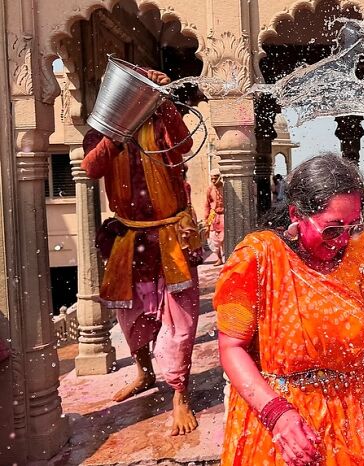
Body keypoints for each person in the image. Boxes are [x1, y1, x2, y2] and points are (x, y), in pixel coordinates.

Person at [214, 154, 364, 466]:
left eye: (352, 225)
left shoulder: (360, 249)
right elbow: (231, 348)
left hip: (351, 419)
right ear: (296, 214)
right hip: (282, 422)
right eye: (331, 229)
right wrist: (277, 414)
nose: (342, 239)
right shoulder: (257, 257)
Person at [82, 68, 202, 436]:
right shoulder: (101, 132)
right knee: (132, 315)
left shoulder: (161, 122)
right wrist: (118, 129)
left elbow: (182, 148)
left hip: (170, 235)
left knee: (179, 321)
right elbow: (92, 168)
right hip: (130, 238)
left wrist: (163, 104)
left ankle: (179, 393)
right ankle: (145, 372)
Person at [205, 168, 225, 266]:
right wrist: (206, 219)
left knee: (224, 238)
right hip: (213, 215)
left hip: (223, 215)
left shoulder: (225, 187)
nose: (213, 180)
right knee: (213, 238)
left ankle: (227, 257)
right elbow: (207, 204)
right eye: (212, 178)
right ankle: (219, 258)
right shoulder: (209, 189)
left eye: (215, 178)